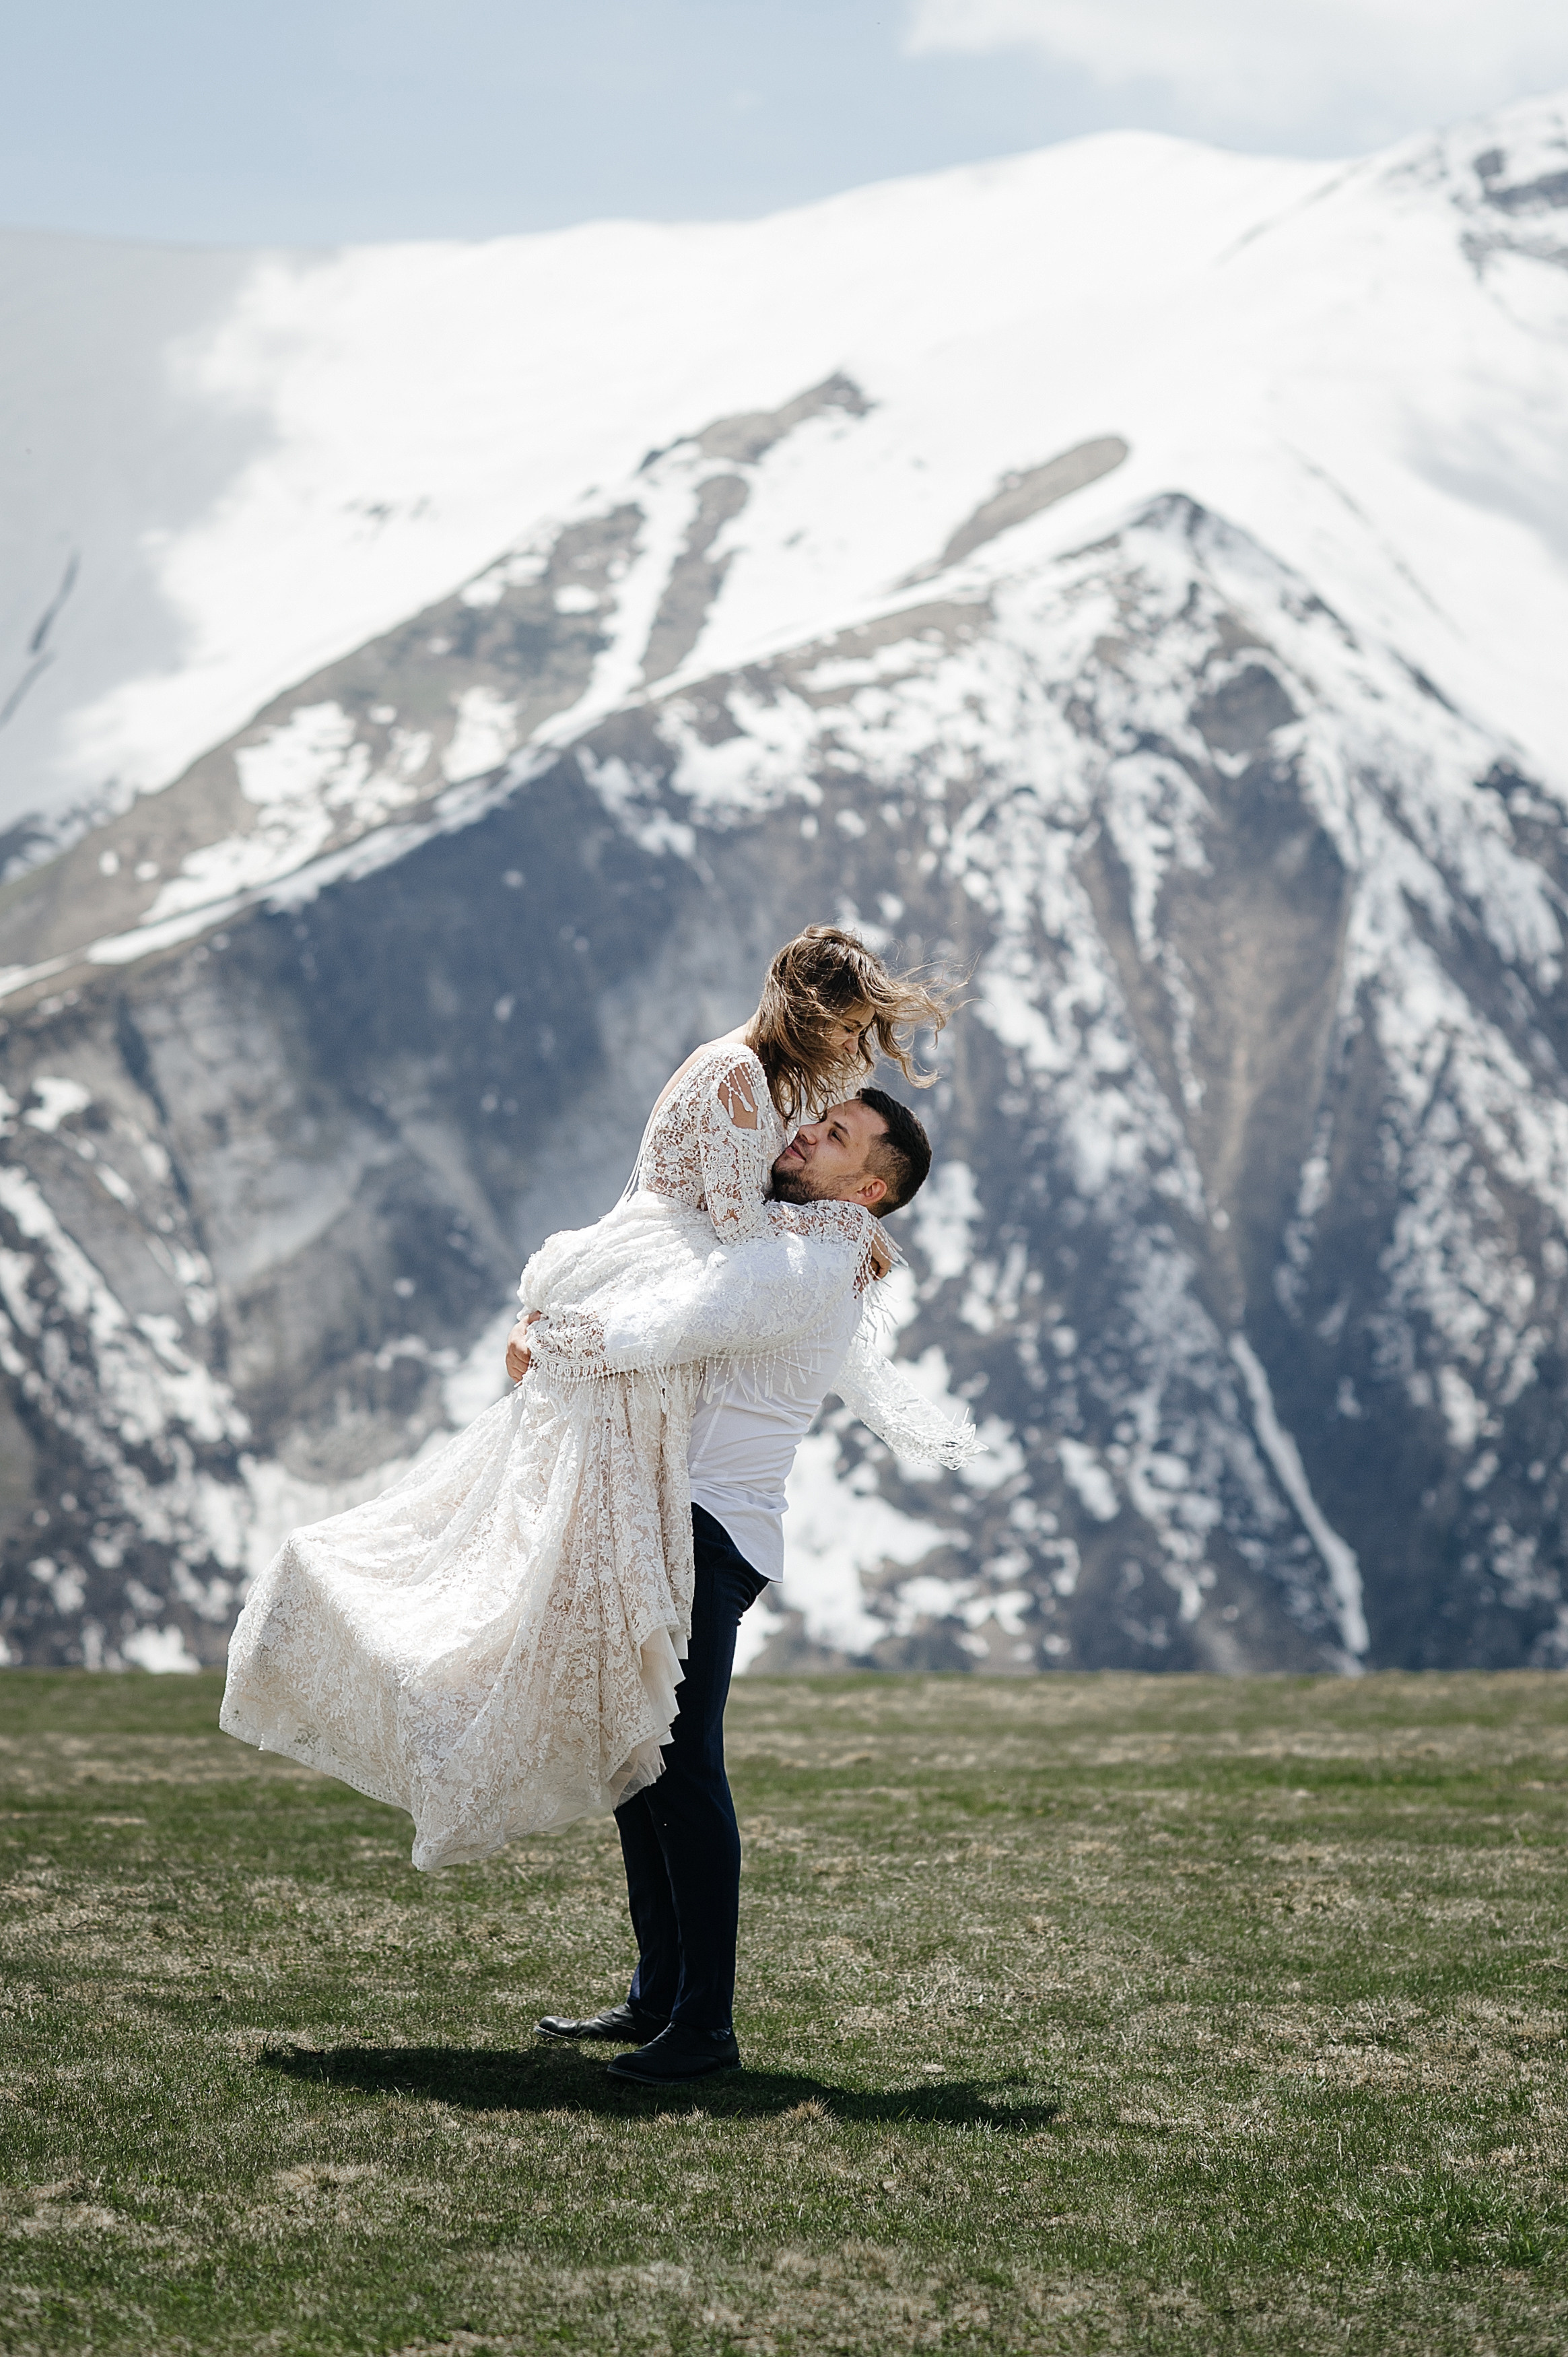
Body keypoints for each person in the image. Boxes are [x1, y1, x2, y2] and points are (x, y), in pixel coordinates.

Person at [219, 927, 974, 1878]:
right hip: (657, 1425)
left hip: (696, 1478)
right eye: (850, 1030)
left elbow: (727, 1284)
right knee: (644, 1746)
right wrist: (557, 1331)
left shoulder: (772, 1126)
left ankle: (688, 2014)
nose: (846, 1062)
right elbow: (712, 1268)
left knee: (664, 1749)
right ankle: (666, 2002)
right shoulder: (740, 1088)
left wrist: (830, 1231)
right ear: (813, 1014)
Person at [529, 1086, 940, 2086]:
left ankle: (704, 2027)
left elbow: (679, 1323)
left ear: (871, 1187)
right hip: (686, 1522)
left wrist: (546, 1340)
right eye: (817, 1120)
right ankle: (659, 1999)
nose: (803, 1133)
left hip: (709, 1531)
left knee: (680, 1764)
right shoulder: (805, 1239)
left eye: (833, 1135)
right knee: (641, 1765)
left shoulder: (812, 1259)